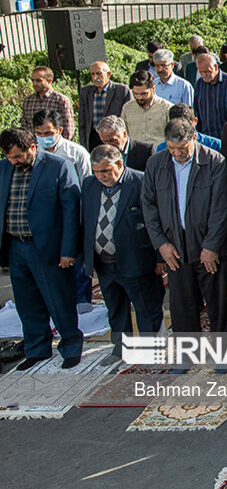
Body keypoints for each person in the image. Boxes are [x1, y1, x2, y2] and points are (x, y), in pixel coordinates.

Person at [141, 118, 227, 336]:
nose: (177, 153)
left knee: (218, 304)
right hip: (175, 248)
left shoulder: (214, 162)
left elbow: (221, 208)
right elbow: (149, 207)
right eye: (172, 148)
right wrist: (161, 244)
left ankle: (223, 354)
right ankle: (187, 355)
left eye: (182, 148)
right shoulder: (156, 164)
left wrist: (211, 246)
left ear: (194, 137)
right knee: (182, 306)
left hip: (208, 247)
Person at [0, 127, 83, 369]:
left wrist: (68, 250)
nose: (14, 161)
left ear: (33, 147)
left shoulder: (58, 167)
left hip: (48, 247)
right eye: (9, 157)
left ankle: (70, 346)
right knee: (27, 302)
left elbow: (71, 212)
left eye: (18, 156)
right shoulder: (4, 168)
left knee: (59, 299)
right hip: (16, 246)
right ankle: (37, 348)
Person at [82, 145, 163, 356]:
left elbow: (155, 222)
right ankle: (121, 348)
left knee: (146, 308)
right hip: (104, 263)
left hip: (136, 261)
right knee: (116, 310)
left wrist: (159, 257)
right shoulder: (90, 185)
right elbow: (86, 221)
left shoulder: (140, 181)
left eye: (106, 171)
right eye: (97, 171)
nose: (101, 176)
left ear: (119, 164)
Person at [78, 61, 129, 150]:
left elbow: (129, 117)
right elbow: (82, 119)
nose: (95, 77)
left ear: (108, 74)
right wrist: (83, 141)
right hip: (93, 137)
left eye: (98, 74)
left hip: (113, 137)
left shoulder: (121, 90)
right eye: (92, 74)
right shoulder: (86, 91)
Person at [21, 66, 74, 140]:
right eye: (33, 80)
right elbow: (25, 127)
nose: (34, 83)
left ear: (49, 81)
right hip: (35, 147)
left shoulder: (60, 100)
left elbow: (68, 129)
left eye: (38, 80)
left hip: (56, 147)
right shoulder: (28, 101)